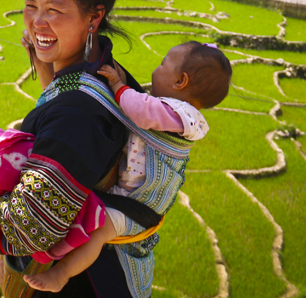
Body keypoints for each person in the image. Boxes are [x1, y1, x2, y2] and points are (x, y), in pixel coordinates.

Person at [0, 0, 155, 298]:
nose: (37, 22)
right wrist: (47, 68)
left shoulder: (77, 113)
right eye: (31, 6)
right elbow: (64, 103)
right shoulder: (107, 71)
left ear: (94, 16)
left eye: (55, 10)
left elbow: (28, 229)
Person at [23, 41, 232, 293]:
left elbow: (140, 111)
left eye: (163, 63)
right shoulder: (179, 114)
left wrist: (118, 86)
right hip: (137, 198)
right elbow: (142, 103)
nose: (157, 67)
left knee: (98, 233)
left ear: (181, 81)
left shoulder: (177, 114)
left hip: (138, 205)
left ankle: (62, 273)